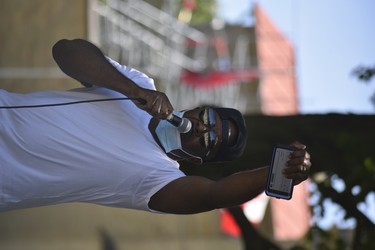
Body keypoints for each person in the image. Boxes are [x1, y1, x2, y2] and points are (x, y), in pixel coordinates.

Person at [0, 39, 311, 214]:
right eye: (210, 119)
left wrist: (275, 171)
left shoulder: (157, 176)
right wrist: (131, 90)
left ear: (194, 161)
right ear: (199, 108)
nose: (205, 129)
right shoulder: (139, 84)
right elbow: (64, 51)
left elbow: (214, 194)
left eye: (210, 141)